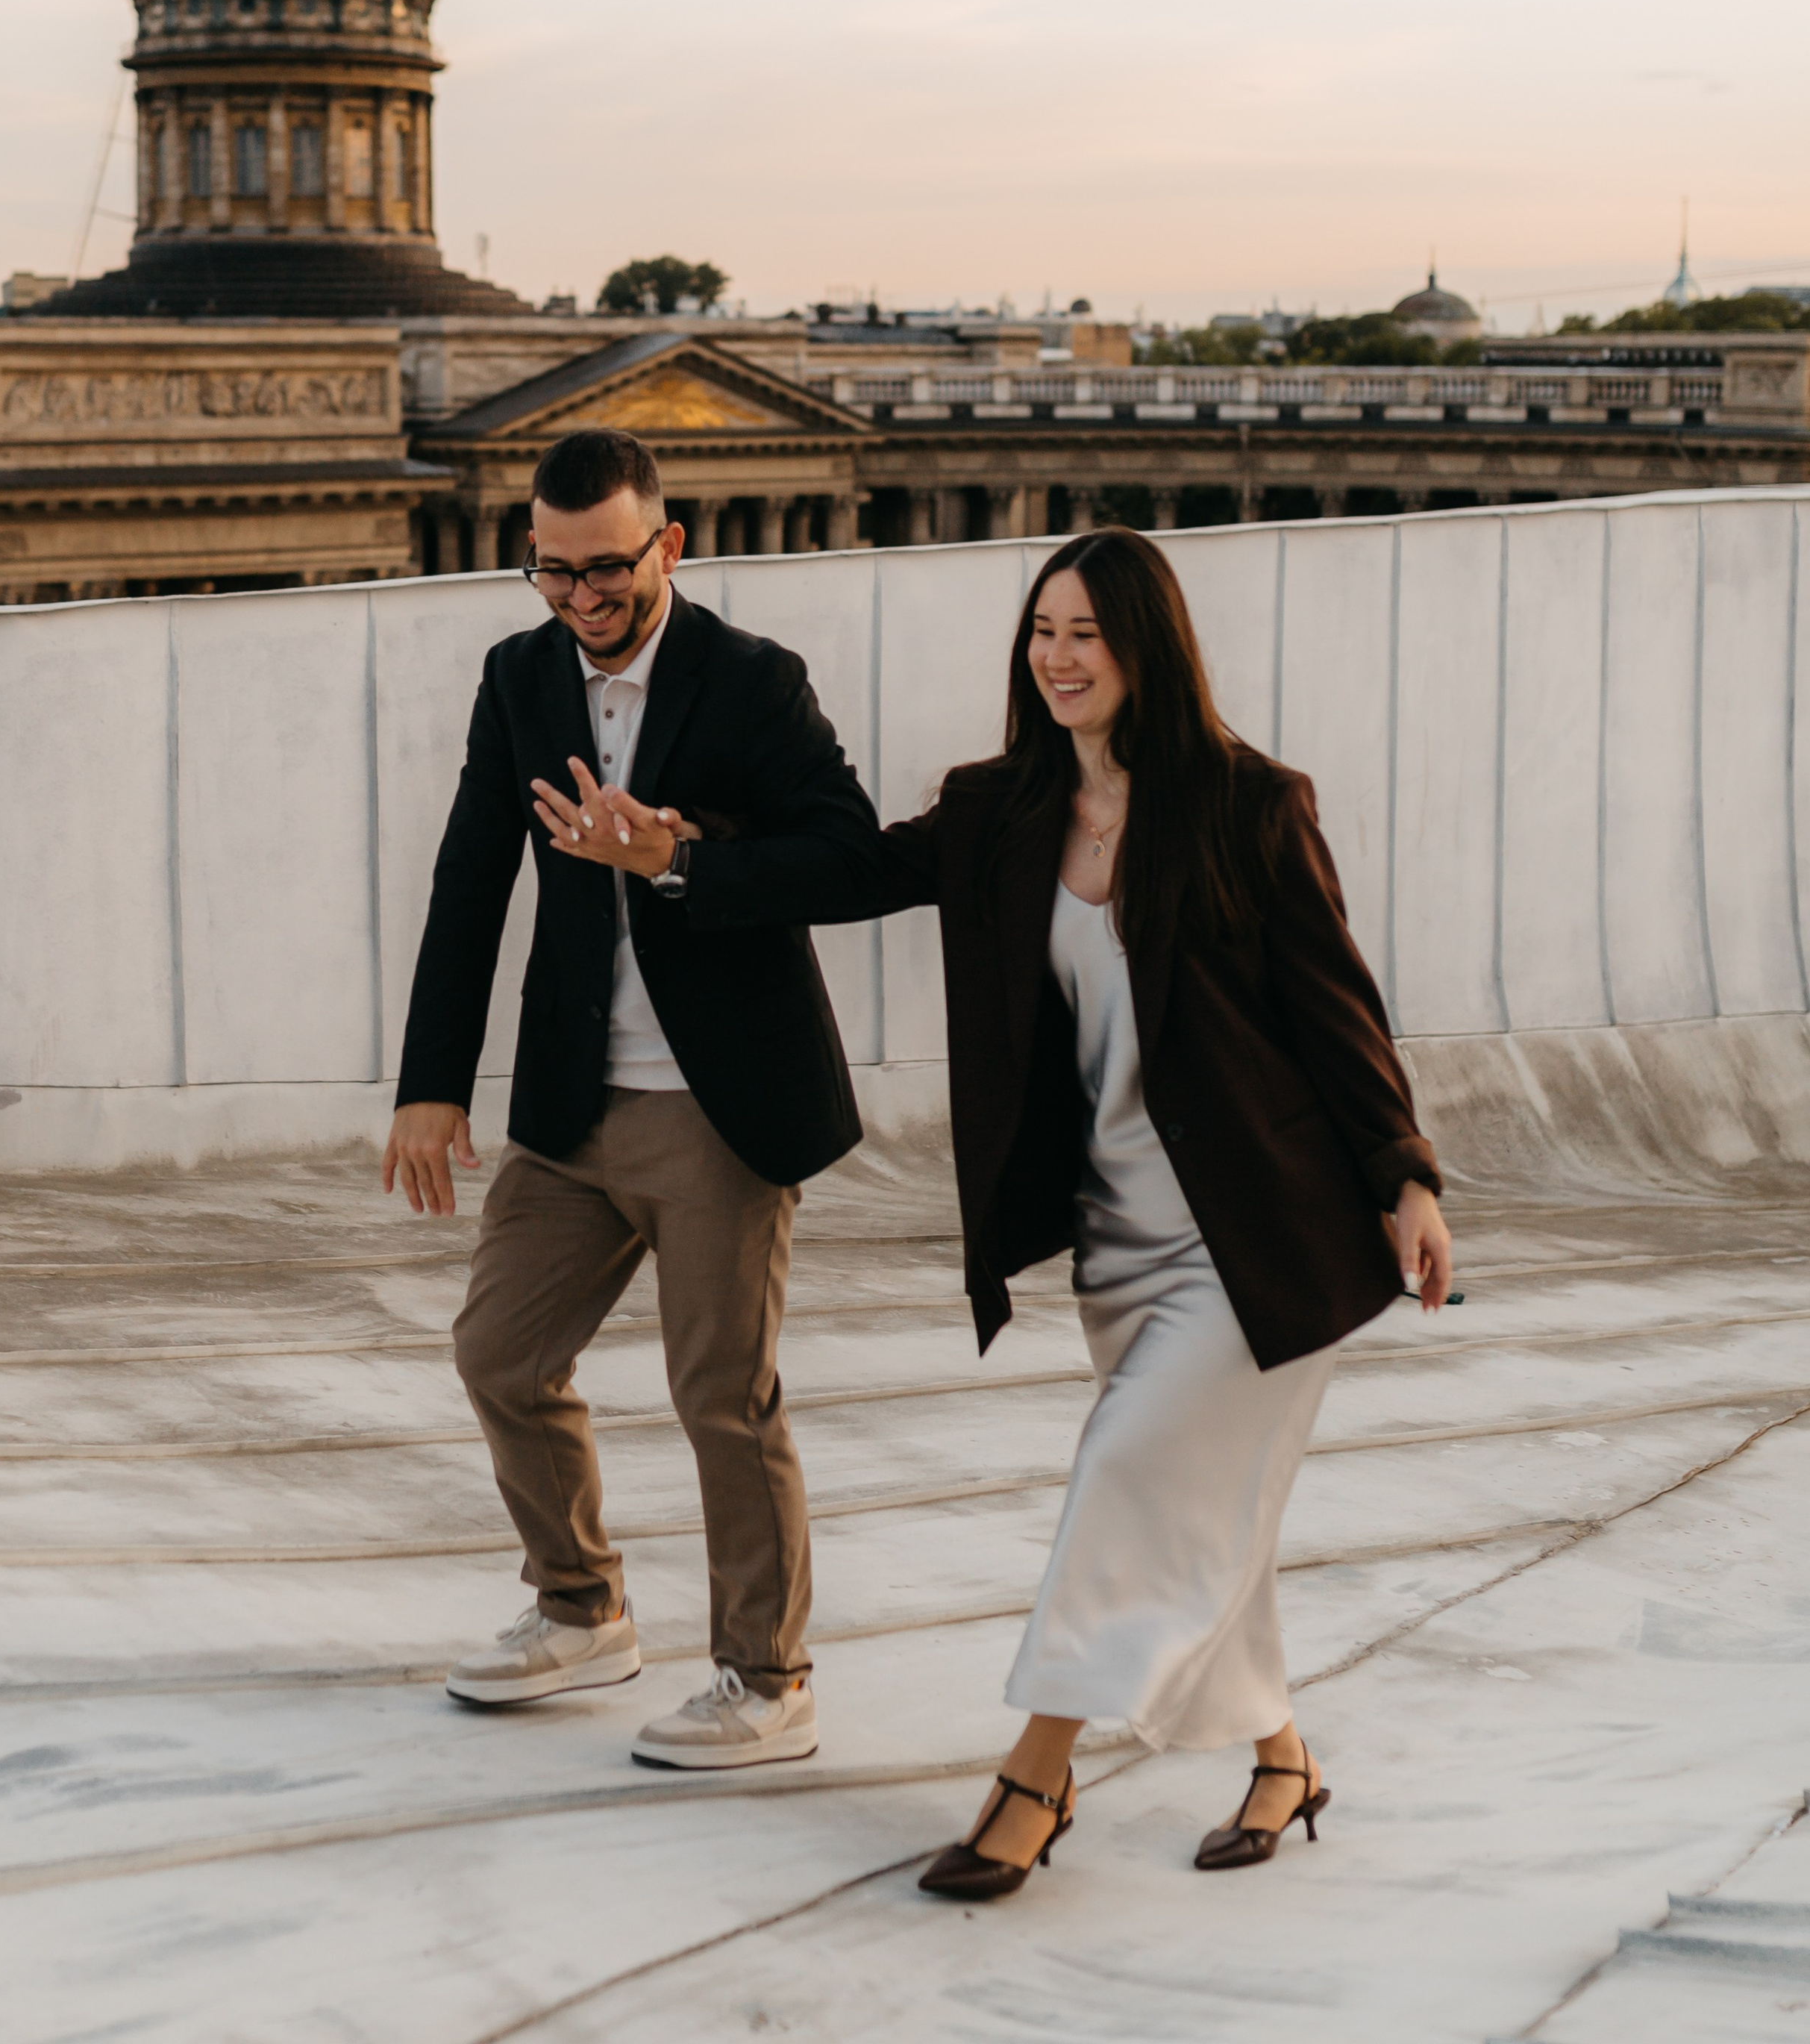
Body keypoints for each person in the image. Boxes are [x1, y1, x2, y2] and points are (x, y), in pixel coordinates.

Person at [544, 525, 1450, 1881]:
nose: (1060, 657)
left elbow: (1338, 1014)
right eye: (1044, 631)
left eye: (1088, 633)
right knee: (1196, 1512)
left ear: (1147, 647)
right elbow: (848, 872)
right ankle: (1283, 1758)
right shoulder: (1003, 810)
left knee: (1128, 1478)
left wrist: (1408, 1175)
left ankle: (1036, 1779)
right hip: (1121, 1248)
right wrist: (674, 860)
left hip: (1259, 1237)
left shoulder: (1250, 806)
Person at [383, 427, 881, 1769]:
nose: (582, 600)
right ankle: (580, 1609)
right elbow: (468, 877)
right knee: (498, 1353)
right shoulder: (520, 673)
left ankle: (768, 1682)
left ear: (668, 544)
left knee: (723, 1393)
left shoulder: (754, 683)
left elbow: (848, 859)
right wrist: (432, 1084)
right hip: (570, 1097)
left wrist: (676, 855)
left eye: (606, 571)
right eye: (552, 574)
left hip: (718, 1107)